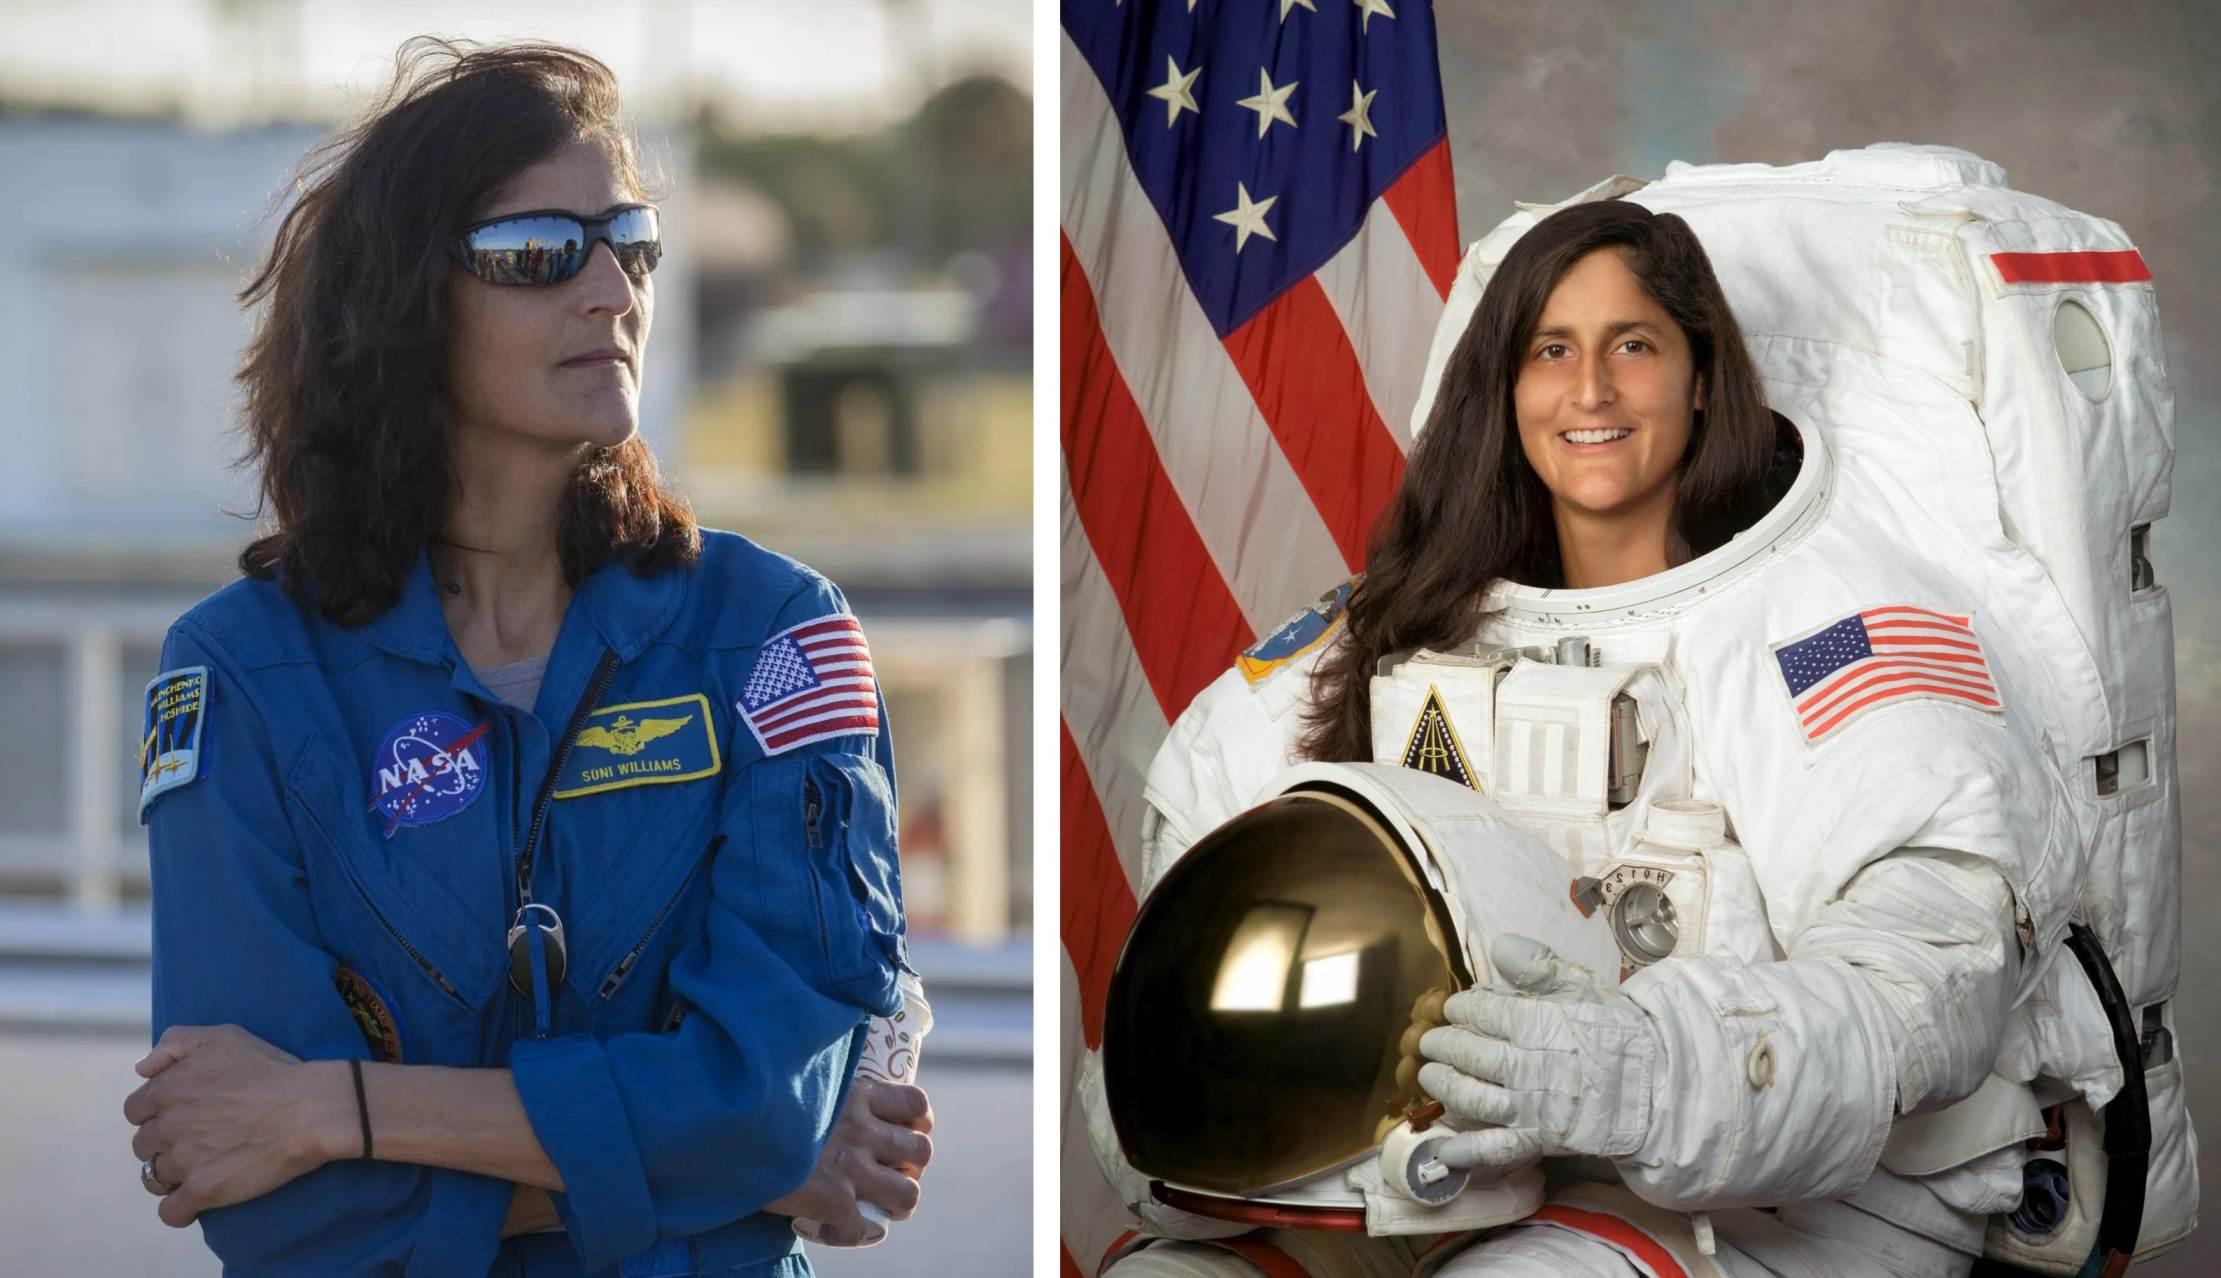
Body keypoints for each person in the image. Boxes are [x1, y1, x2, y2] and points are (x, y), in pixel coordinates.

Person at [1094, 192, 2176, 1276]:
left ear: (1702, 378)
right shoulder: (1402, 619)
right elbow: (1205, 830)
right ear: (1504, 388)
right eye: (1551, 350)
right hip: (1431, 1166)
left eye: (1633, 346)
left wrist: (1649, 1073)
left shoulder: (1826, 629)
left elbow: (1927, 977)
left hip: (1785, 1199)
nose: (1591, 390)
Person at [119, 40, 932, 1277]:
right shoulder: (241, 675)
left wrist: (336, 1109)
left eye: (631, 241)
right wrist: (711, 1172)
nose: (611, 290)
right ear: (402, 301)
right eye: (540, 250)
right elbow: (271, 1208)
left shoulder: (775, 637)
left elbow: (768, 1105)